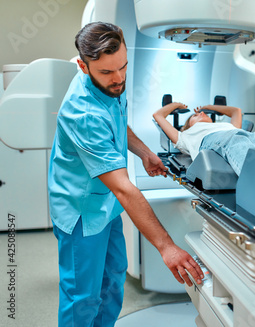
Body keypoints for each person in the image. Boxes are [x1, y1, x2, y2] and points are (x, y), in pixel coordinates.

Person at [48, 22, 204, 326]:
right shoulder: (83, 113)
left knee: (113, 279)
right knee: (82, 296)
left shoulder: (111, 82)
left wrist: (145, 153)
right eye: (107, 73)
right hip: (81, 211)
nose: (118, 78)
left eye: (123, 67)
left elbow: (117, 125)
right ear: (83, 66)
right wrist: (167, 246)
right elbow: (123, 188)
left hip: (104, 205)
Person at [153, 102, 255, 175]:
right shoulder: (185, 136)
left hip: (247, 137)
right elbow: (158, 115)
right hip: (216, 141)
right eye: (195, 115)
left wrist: (208, 106)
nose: (201, 114)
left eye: (204, 113)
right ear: (188, 126)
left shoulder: (228, 125)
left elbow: (236, 111)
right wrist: (176, 105)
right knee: (237, 140)